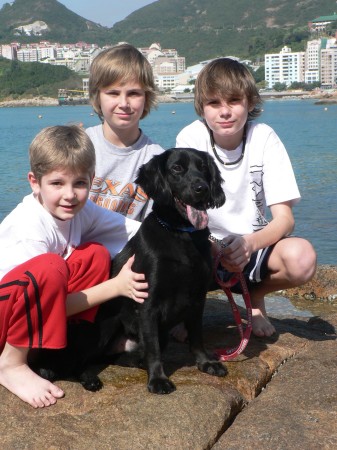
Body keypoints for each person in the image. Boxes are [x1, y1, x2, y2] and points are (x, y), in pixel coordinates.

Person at [0, 125, 148, 409]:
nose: (70, 194)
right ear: (34, 182)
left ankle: (70, 347)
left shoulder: (81, 211)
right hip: (6, 320)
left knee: (94, 254)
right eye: (57, 183)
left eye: (80, 183)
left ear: (92, 180)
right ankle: (11, 364)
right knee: (50, 266)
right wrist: (115, 287)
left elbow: (135, 231)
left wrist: (199, 241)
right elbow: (40, 304)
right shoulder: (29, 227)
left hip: (33, 315)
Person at [176, 58, 317, 338]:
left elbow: (285, 220)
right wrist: (215, 245)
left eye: (234, 100)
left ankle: (253, 295)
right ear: (202, 108)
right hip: (203, 246)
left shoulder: (263, 137)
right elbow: (184, 212)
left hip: (252, 246)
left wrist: (248, 244)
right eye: (214, 103)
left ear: (250, 103)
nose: (225, 111)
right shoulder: (191, 138)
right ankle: (185, 308)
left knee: (302, 259)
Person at [86, 43, 165, 221]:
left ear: (147, 97)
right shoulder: (79, 145)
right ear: (97, 97)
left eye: (134, 93)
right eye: (113, 93)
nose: (123, 103)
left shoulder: (156, 159)